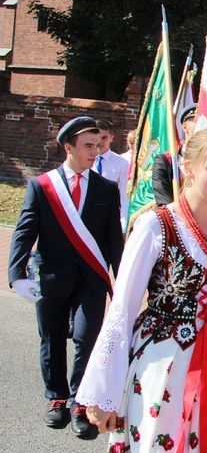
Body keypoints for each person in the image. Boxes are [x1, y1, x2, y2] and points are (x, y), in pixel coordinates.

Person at [77, 129, 207, 452]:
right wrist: (104, 392)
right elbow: (122, 311)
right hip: (161, 363)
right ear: (189, 168)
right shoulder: (156, 226)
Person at [7, 116, 124, 437]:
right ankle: (56, 397)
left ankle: (80, 402)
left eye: (98, 144)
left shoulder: (106, 188)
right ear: (68, 147)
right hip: (51, 277)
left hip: (90, 279)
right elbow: (24, 231)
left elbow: (114, 239)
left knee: (88, 338)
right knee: (52, 338)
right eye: (88, 145)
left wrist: (124, 282)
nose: (95, 151)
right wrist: (17, 273)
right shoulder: (42, 186)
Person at [152, 103, 197, 206]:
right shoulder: (167, 161)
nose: (201, 126)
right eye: (196, 121)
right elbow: (164, 201)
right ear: (185, 126)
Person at [93, 119, 131, 232]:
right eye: (97, 138)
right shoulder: (84, 161)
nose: (100, 142)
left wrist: (123, 226)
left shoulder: (121, 162)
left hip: (108, 217)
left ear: (111, 137)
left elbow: (125, 196)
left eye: (104, 138)